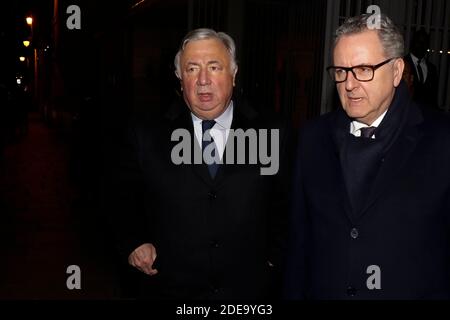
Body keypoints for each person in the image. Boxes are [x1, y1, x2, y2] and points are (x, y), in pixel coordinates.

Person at [104, 28, 289, 300]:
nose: (203, 80)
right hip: (170, 287)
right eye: (192, 69)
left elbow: (287, 202)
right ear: (180, 79)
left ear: (233, 74)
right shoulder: (145, 133)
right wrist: (133, 240)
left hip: (247, 291)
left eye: (214, 67)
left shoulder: (272, 130)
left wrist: (274, 257)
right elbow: (120, 196)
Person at [284, 13, 450, 299]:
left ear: (397, 71)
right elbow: (299, 244)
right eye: (340, 71)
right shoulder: (312, 138)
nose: (349, 84)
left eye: (363, 69)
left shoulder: (442, 140)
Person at [404, 29, 439, 109]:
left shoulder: (432, 69)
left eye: (424, 43)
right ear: (412, 43)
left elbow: (433, 98)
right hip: (407, 114)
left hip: (428, 116)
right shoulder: (403, 64)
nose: (421, 45)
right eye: (418, 42)